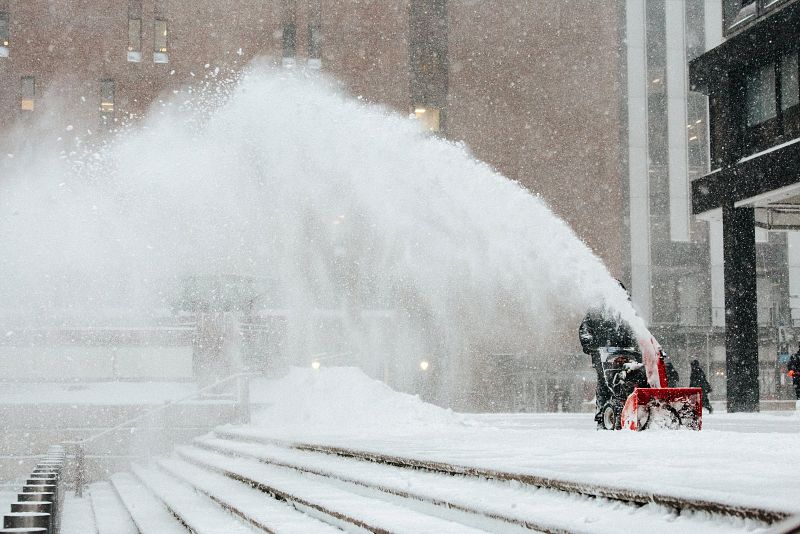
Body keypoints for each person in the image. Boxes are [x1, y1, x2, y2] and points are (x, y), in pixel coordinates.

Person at [579, 288, 638, 426]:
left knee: (630, 379)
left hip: (627, 354)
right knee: (605, 382)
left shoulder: (625, 312)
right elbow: (585, 331)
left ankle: (629, 407)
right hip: (603, 356)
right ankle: (602, 415)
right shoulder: (595, 312)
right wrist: (590, 344)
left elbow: (635, 331)